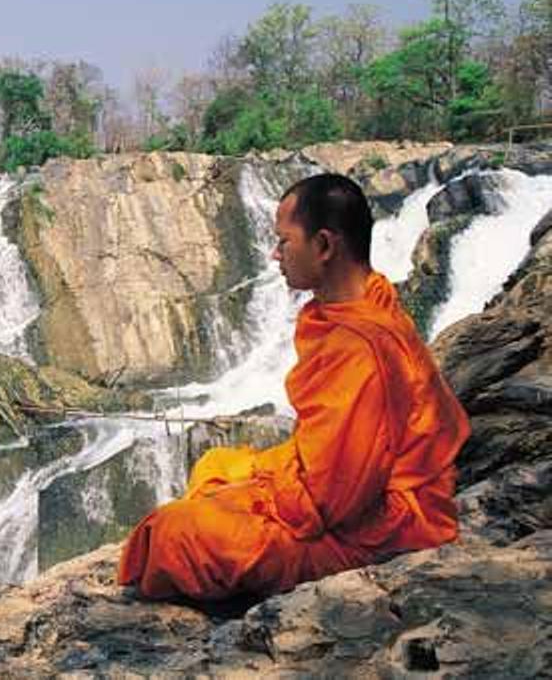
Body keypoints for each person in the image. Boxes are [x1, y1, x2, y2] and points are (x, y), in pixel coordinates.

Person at [116, 173, 471, 601]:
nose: (274, 254)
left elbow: (329, 505)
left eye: (284, 242)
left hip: (382, 527)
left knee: (174, 533)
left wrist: (256, 494)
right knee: (215, 463)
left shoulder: (360, 347)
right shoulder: (368, 298)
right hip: (341, 491)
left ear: (323, 246)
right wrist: (256, 480)